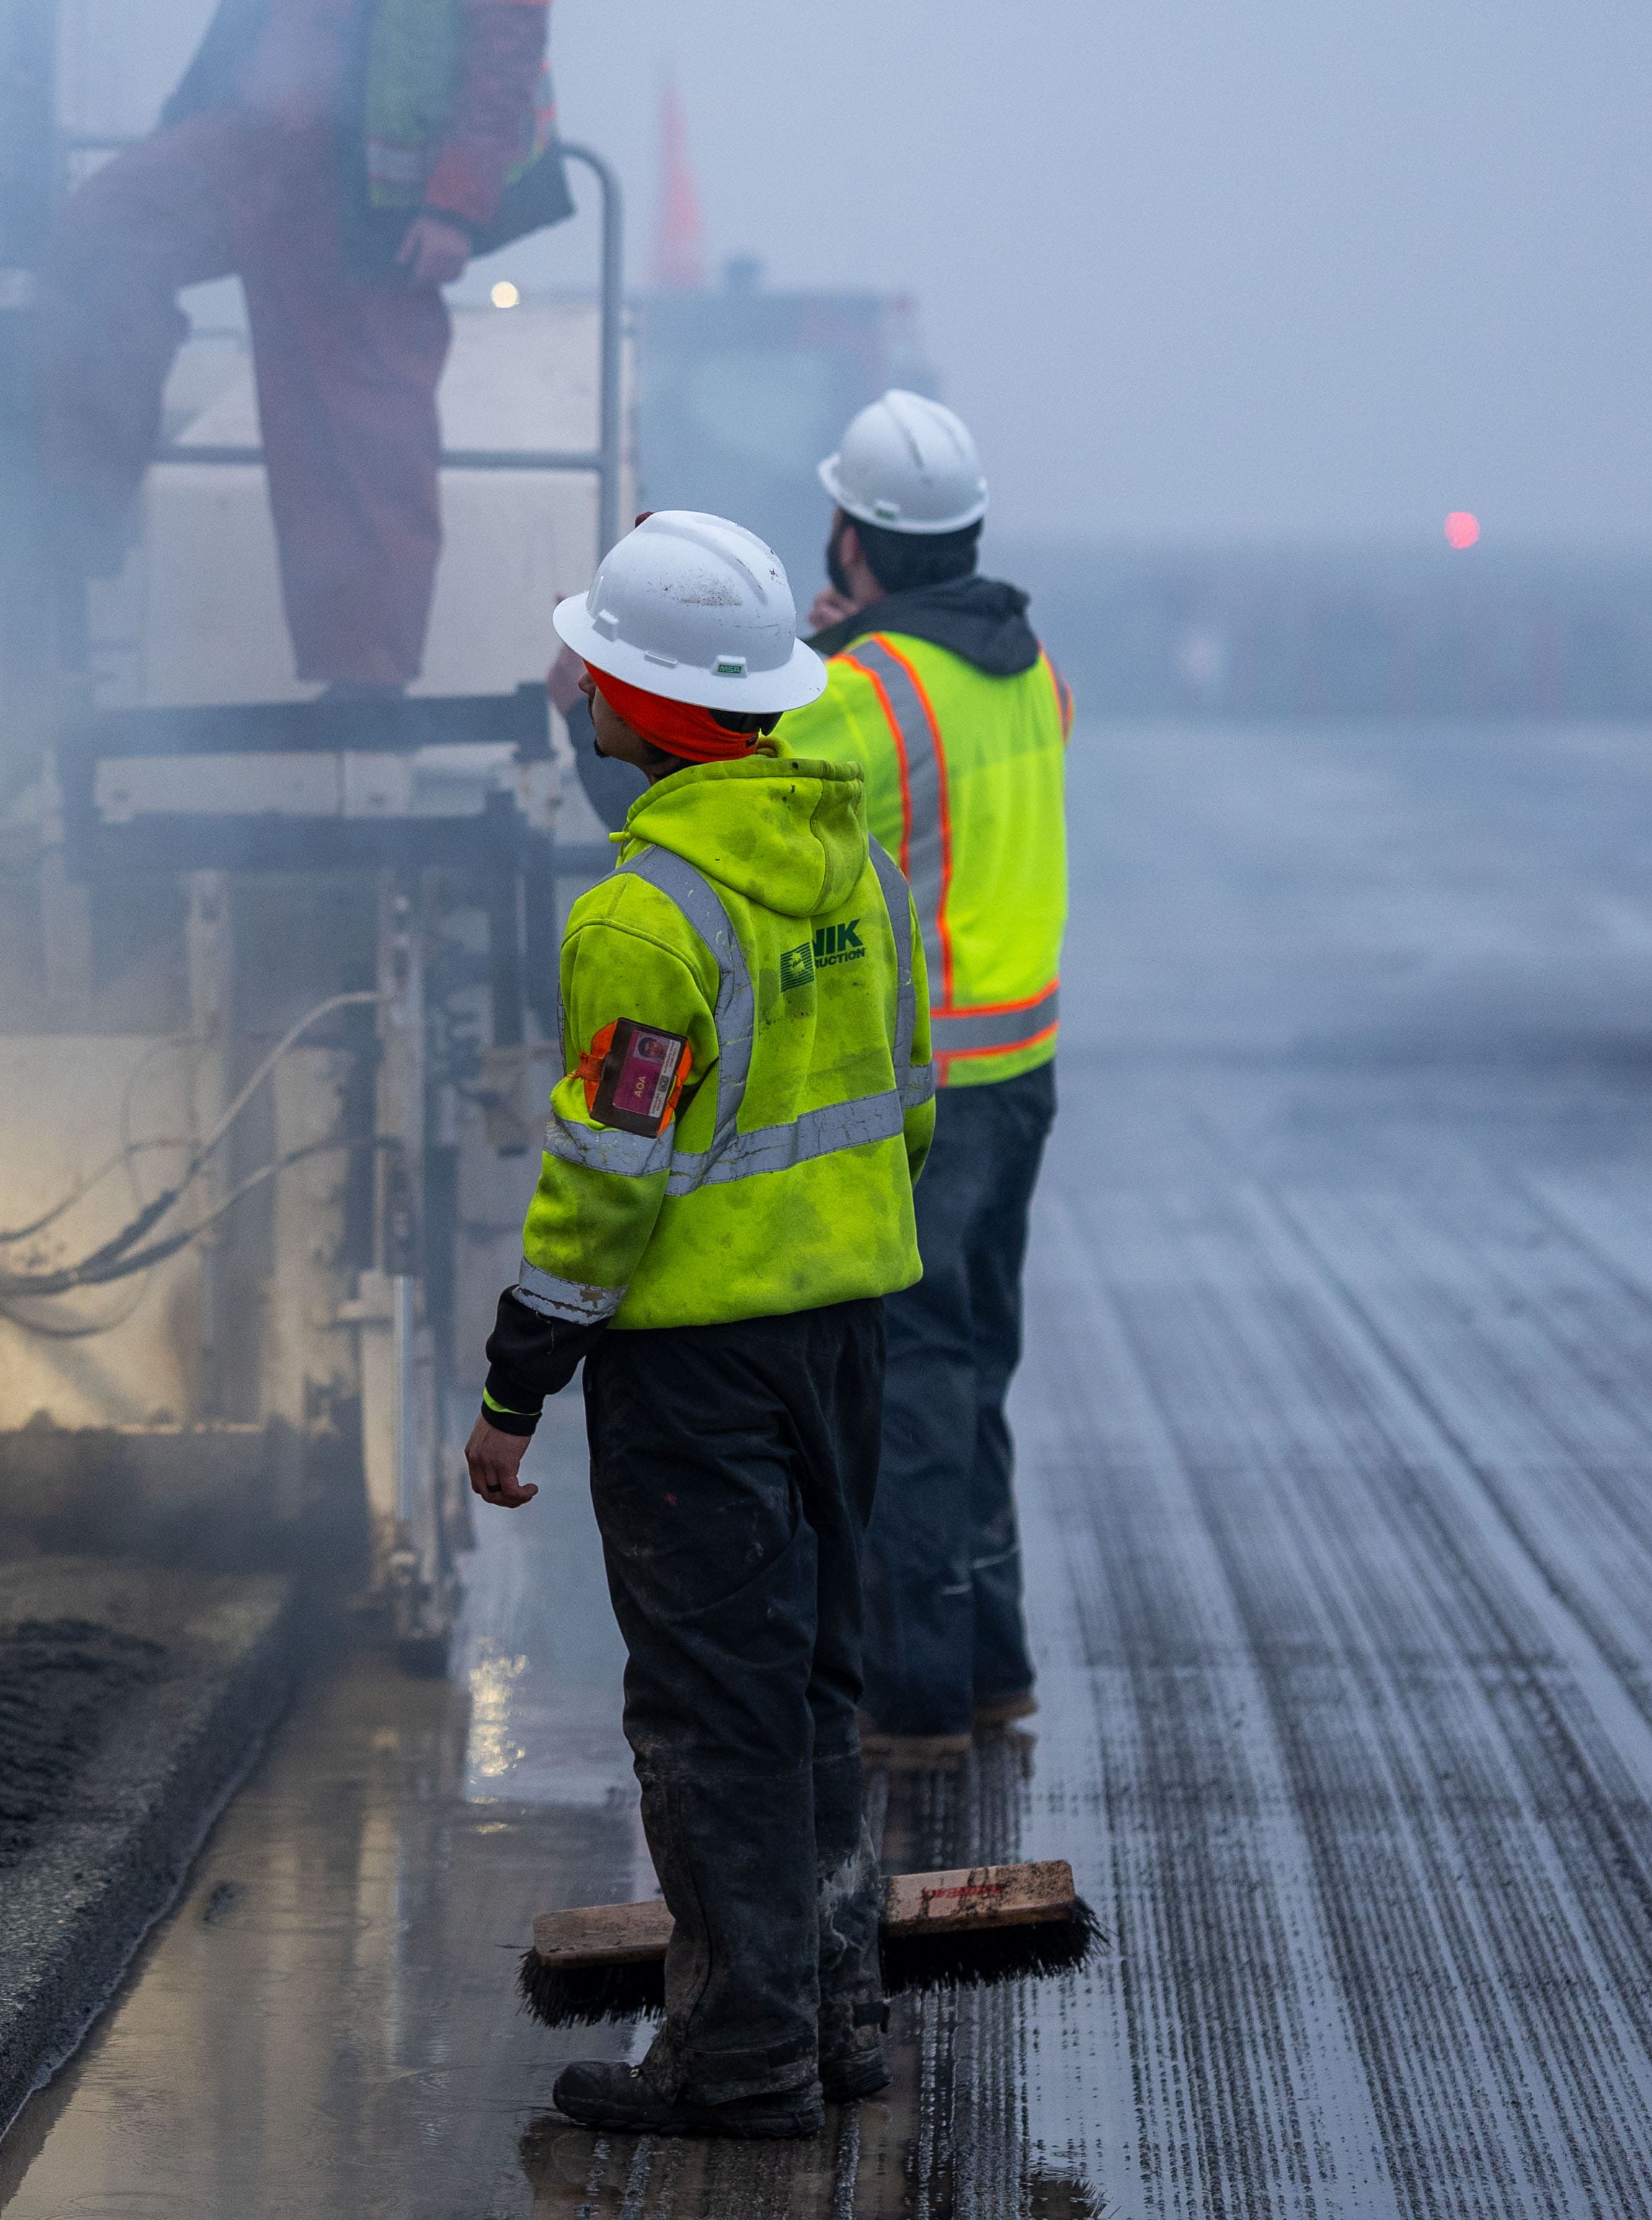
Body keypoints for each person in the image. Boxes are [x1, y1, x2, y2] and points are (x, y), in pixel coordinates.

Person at [465, 510, 936, 2140]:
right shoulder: (857, 864)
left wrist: (514, 1387)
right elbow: (912, 1098)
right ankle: (837, 2012)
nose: (575, 682)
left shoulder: (645, 920)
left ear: (642, 706)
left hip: (701, 1369)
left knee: (709, 1708)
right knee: (809, 1679)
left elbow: (603, 1185)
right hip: (847, 1332)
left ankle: (742, 2055)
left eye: (593, 661)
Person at [35, 0, 564, 696]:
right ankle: (73, 521)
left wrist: (456, 204)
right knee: (99, 236)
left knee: (359, 441)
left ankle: (362, 695)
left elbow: (504, 46)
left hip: (383, 188)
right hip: (258, 138)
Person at [774, 391, 1067, 1764]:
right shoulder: (1030, 666)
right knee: (976, 1372)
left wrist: (578, 707)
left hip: (934, 1098)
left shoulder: (865, 695)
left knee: (913, 1391)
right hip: (1022, 1077)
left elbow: (712, 779)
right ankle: (992, 1665)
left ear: (854, 541)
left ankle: (917, 1702)